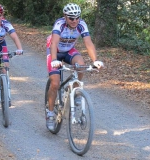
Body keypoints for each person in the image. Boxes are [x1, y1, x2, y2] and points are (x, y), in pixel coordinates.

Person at [46, 3, 104, 131]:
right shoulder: (59, 24)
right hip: (54, 51)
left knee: (82, 66)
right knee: (55, 83)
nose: (75, 20)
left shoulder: (81, 25)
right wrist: (54, 60)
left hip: (69, 50)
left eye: (77, 17)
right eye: (71, 18)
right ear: (65, 17)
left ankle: (76, 90)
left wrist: (95, 61)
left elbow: (88, 42)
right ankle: (50, 114)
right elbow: (54, 42)